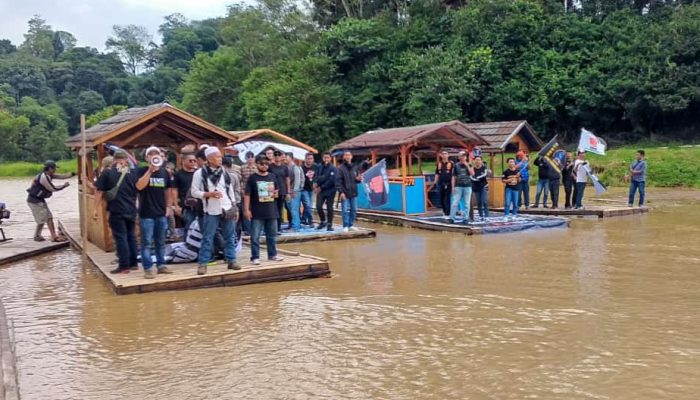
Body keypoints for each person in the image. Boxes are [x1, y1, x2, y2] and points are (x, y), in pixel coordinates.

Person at [191, 147, 240, 275]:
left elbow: (229, 191)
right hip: (211, 209)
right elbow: (194, 192)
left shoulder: (224, 172)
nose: (220, 159)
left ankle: (231, 260)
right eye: (217, 157)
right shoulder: (199, 173)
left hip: (227, 206)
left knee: (230, 236)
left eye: (220, 156)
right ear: (209, 159)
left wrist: (234, 207)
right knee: (208, 237)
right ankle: (203, 264)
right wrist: (208, 194)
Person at [94, 151, 138, 274]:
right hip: (131, 209)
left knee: (120, 237)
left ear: (114, 160)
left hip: (116, 209)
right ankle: (133, 263)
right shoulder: (133, 173)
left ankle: (124, 266)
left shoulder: (107, 173)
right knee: (131, 236)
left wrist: (95, 209)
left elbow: (99, 192)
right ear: (126, 160)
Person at [135, 146, 174, 279]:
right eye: (150, 154)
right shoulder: (140, 171)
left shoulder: (165, 172)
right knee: (146, 242)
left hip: (161, 213)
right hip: (146, 213)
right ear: (146, 158)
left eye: (156, 154)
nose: (153, 156)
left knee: (161, 241)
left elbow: (168, 190)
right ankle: (147, 268)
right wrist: (150, 171)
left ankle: (161, 265)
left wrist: (169, 207)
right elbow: (139, 186)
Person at [244, 155, 284, 265]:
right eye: (262, 164)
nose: (264, 166)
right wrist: (246, 209)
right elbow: (247, 194)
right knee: (255, 236)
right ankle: (255, 256)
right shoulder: (252, 178)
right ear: (257, 164)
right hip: (257, 211)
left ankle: (272, 255)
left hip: (271, 210)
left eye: (266, 164)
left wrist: (276, 194)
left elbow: (276, 192)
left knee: (271, 235)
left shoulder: (272, 176)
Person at [26, 160, 73, 242]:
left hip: (37, 200)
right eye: (54, 168)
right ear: (50, 168)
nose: (55, 170)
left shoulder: (48, 175)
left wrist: (73, 174)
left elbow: (61, 176)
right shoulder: (44, 178)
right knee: (48, 218)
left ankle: (37, 236)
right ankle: (54, 237)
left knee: (43, 219)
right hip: (35, 201)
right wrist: (64, 186)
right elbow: (53, 188)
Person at [337, 151, 362, 232]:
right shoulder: (340, 168)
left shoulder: (355, 167)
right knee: (344, 210)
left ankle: (351, 224)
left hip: (353, 191)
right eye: (346, 155)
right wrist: (341, 192)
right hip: (345, 192)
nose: (347, 156)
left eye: (349, 155)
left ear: (352, 156)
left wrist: (358, 180)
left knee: (354, 209)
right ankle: (345, 225)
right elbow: (338, 182)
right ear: (344, 157)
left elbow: (357, 179)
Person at [172, 152, 198, 232]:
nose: (193, 162)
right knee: (188, 226)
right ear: (183, 161)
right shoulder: (178, 174)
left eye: (194, 161)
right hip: (185, 206)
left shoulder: (198, 173)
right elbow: (174, 190)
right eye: (190, 161)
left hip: (199, 206)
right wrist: (176, 205)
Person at [449, 151, 475, 223]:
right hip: (458, 186)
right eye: (462, 156)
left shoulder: (469, 164)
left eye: (464, 156)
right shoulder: (455, 165)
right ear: (459, 157)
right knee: (455, 203)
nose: (463, 157)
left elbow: (472, 174)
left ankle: (465, 218)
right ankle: (452, 218)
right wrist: (453, 187)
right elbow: (453, 177)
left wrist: (466, 165)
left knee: (467, 203)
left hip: (468, 186)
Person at [268, 150, 290, 232]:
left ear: (281, 157)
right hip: (272, 191)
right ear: (273, 157)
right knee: (272, 209)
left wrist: (288, 192)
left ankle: (278, 227)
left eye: (279, 155)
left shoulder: (285, 167)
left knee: (280, 209)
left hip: (282, 191)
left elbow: (287, 179)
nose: (277, 156)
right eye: (275, 155)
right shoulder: (270, 167)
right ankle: (272, 227)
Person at [315, 153, 337, 231]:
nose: (326, 159)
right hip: (320, 190)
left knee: (329, 208)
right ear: (322, 158)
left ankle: (329, 224)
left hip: (330, 190)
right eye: (325, 157)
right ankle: (323, 221)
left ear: (330, 158)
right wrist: (317, 184)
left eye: (327, 157)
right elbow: (317, 177)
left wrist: (322, 185)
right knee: (318, 207)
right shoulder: (319, 167)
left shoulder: (333, 168)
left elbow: (332, 180)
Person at [286, 154, 304, 232]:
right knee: (291, 209)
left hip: (294, 191)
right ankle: (296, 225)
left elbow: (299, 179)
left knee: (294, 209)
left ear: (291, 158)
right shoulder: (287, 167)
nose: (284, 158)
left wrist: (296, 190)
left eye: (286, 157)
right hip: (290, 191)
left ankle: (295, 227)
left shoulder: (295, 167)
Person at [434, 150, 453, 215]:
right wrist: (435, 182)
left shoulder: (451, 163)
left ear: (448, 155)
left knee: (447, 198)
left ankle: (448, 212)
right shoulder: (439, 164)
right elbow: (437, 173)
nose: (444, 155)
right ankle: (444, 210)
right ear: (441, 156)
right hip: (440, 183)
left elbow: (454, 174)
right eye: (443, 154)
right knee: (441, 198)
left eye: (445, 154)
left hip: (449, 183)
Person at [301, 153, 317, 226]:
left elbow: (317, 176)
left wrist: (316, 183)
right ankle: (311, 221)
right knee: (308, 205)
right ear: (305, 159)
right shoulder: (301, 168)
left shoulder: (315, 167)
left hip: (311, 189)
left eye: (311, 158)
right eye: (308, 158)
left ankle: (304, 218)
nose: (310, 160)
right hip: (303, 189)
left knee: (308, 205)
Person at [471, 156, 490, 220]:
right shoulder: (472, 169)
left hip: (483, 186)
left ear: (481, 161)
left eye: (479, 160)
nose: (478, 161)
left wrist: (477, 178)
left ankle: (486, 216)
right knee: (479, 202)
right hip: (476, 187)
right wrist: (475, 179)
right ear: (474, 161)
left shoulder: (484, 168)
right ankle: (481, 215)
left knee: (484, 201)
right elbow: (471, 177)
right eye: (476, 160)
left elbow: (484, 175)